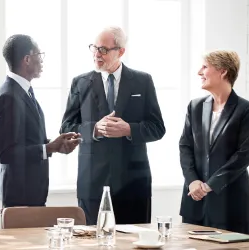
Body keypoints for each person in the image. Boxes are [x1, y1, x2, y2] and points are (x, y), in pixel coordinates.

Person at [59, 26, 166, 225]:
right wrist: (94, 129)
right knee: (90, 244)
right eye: (94, 48)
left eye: (104, 50)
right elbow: (66, 127)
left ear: (121, 51)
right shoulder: (80, 83)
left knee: (133, 244)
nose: (97, 54)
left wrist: (129, 129)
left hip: (134, 183)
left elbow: (157, 127)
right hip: (92, 183)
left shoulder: (143, 81)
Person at [0, 34, 81, 208]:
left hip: (31, 193)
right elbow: (5, 153)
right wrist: (49, 148)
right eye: (39, 56)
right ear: (27, 59)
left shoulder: (23, 91)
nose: (42, 62)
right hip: (19, 197)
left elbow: (26, 141)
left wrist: (55, 146)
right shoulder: (9, 96)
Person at [178, 50, 249, 234]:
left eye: (205, 67)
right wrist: (192, 181)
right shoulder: (195, 106)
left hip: (230, 204)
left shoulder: (246, 110)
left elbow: (243, 155)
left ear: (223, 72)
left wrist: (209, 186)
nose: (199, 72)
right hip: (195, 201)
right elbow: (185, 146)